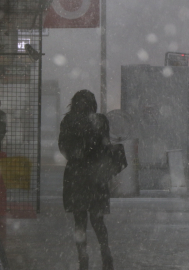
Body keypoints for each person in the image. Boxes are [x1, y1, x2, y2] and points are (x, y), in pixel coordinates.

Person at [58, 90, 114, 270]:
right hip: (96, 176)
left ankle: (83, 259)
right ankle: (106, 255)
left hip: (76, 176)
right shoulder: (100, 120)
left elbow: (63, 147)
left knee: (79, 221)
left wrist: (76, 154)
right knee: (98, 220)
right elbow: (106, 146)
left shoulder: (68, 121)